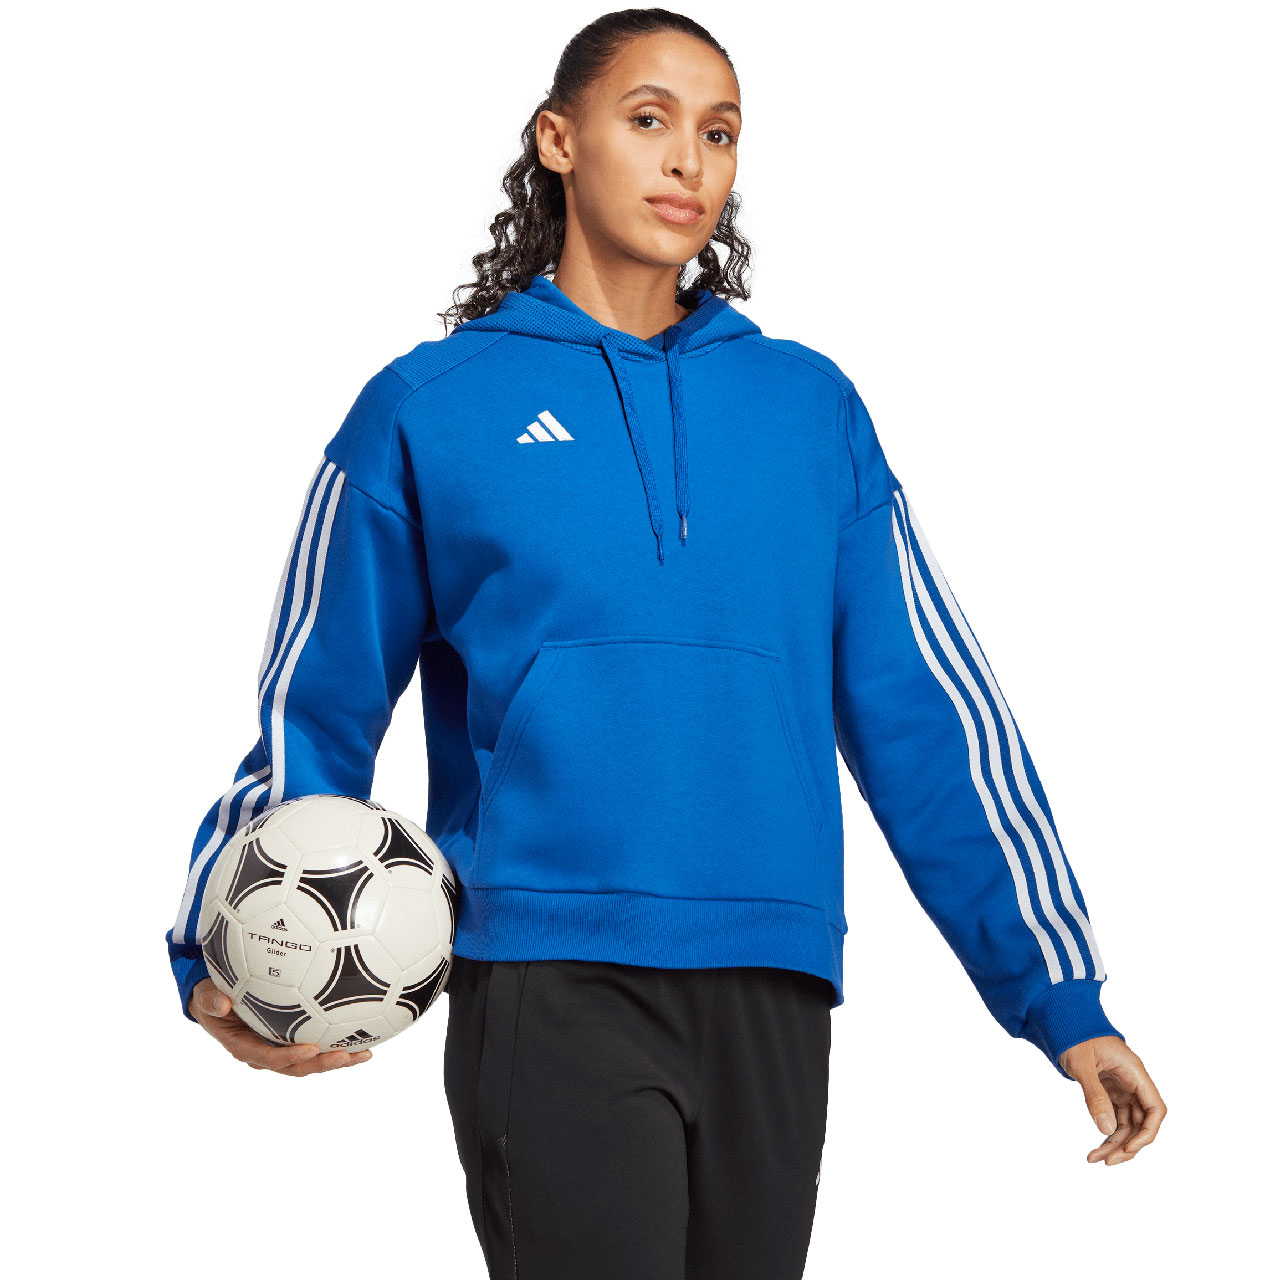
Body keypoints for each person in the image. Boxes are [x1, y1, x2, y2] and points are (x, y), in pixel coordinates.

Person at [166, 8, 1166, 1278]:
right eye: (648, 120)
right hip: (549, 968)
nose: (689, 159)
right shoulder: (430, 406)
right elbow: (311, 703)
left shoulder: (808, 407)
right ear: (558, 140)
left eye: (719, 132)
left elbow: (925, 711)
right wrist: (219, 947)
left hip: (774, 969)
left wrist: (1058, 996)